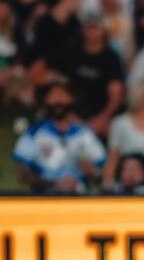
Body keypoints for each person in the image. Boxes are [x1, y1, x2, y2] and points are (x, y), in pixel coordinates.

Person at [12, 82, 106, 194]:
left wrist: (92, 172)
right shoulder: (34, 133)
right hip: (43, 198)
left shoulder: (84, 134)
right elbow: (22, 174)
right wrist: (54, 183)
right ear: (45, 100)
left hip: (79, 199)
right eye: (53, 97)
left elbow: (101, 175)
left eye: (62, 96)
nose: (58, 101)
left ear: (71, 99)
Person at [63, 12, 125, 140]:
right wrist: (70, 114)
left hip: (101, 114)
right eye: (88, 28)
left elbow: (116, 95)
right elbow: (63, 86)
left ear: (103, 31)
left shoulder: (111, 58)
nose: (92, 32)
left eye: (95, 28)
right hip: (73, 112)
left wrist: (102, 119)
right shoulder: (72, 53)